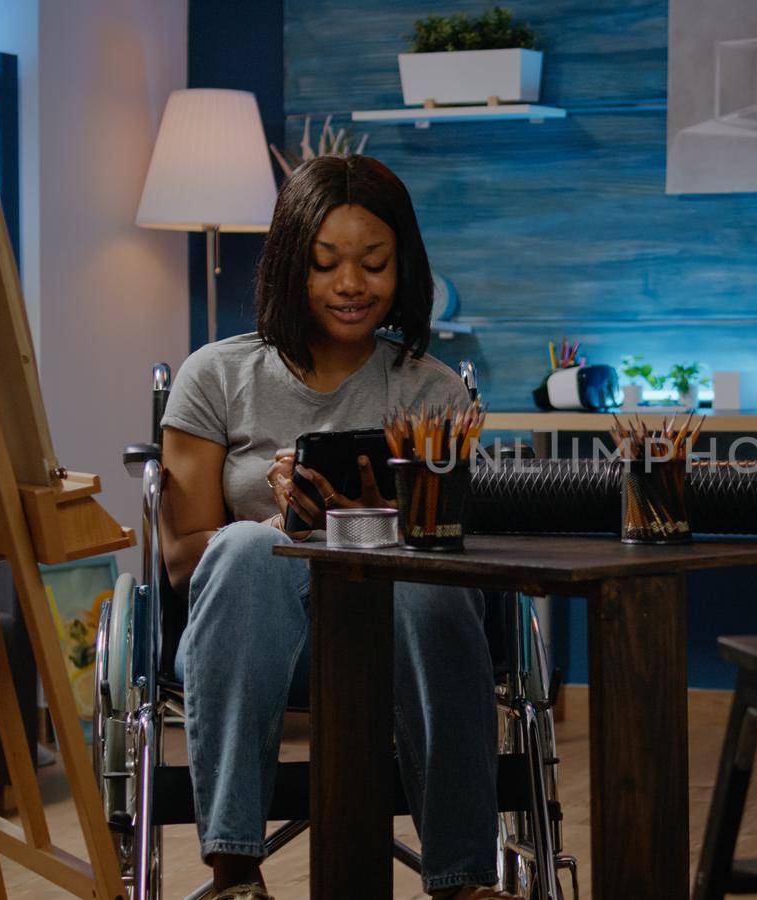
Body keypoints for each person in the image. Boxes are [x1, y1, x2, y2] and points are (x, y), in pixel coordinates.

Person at [160, 155, 512, 900]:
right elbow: (182, 561)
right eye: (325, 265)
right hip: (258, 648)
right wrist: (286, 526)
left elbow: (467, 558)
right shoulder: (215, 378)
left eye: (374, 263)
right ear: (292, 266)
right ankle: (234, 872)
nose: (351, 285)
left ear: (402, 267)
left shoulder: (433, 390)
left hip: (401, 648)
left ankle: (463, 881)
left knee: (426, 581)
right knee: (247, 544)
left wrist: (373, 526)